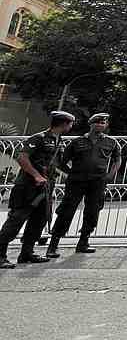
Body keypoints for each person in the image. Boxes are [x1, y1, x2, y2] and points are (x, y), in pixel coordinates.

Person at [0, 111, 75, 268]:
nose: (71, 126)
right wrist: (36, 176)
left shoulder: (58, 141)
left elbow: (58, 164)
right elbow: (22, 158)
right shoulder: (38, 138)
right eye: (70, 123)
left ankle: (26, 254)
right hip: (28, 186)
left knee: (38, 221)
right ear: (63, 124)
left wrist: (75, 174)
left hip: (45, 188)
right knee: (16, 220)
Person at [46, 113, 120, 257]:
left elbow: (117, 159)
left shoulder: (111, 142)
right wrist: (71, 172)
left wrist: (110, 175)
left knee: (93, 212)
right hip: (76, 181)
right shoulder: (77, 142)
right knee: (66, 211)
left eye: (103, 123)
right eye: (97, 122)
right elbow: (61, 162)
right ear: (90, 124)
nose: (100, 125)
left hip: (98, 182)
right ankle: (53, 245)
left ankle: (83, 242)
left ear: (106, 126)